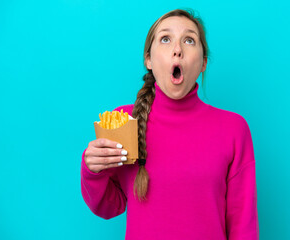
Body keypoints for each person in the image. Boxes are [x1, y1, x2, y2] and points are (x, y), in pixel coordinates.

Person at [81, 9, 259, 240]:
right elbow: (108, 206)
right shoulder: (123, 121)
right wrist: (93, 171)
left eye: (189, 40)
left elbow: (243, 226)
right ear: (149, 60)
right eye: (165, 39)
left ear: (203, 62)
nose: (177, 49)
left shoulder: (234, 129)